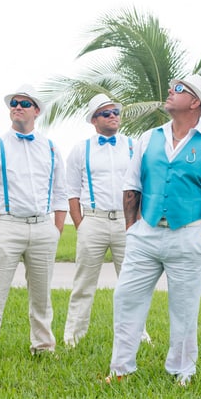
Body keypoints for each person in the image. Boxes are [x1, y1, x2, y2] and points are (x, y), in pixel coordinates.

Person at [105, 74, 201, 386]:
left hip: (189, 236)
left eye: (178, 89)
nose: (169, 90)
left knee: (184, 309)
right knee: (125, 298)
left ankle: (182, 371)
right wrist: (132, 229)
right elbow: (132, 185)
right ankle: (121, 370)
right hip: (145, 234)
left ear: (195, 102)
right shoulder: (148, 138)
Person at [0, 83, 68, 364]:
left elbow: (61, 192)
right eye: (14, 103)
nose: (17, 107)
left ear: (36, 111)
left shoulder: (50, 148)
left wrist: (55, 230)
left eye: (24, 103)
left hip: (42, 228)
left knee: (42, 294)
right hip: (8, 227)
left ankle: (44, 347)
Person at [63, 93, 151, 347]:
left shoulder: (134, 146)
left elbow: (143, 184)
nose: (113, 116)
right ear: (94, 120)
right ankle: (73, 337)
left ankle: (139, 334)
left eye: (115, 112)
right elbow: (72, 192)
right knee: (83, 283)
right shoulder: (81, 150)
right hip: (94, 220)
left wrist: (139, 221)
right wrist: (81, 224)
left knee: (133, 282)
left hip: (129, 222)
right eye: (106, 113)